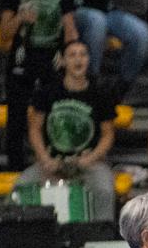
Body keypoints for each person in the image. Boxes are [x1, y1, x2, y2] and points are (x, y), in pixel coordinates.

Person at [0, 0, 78, 170]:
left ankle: (54, 166)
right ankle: (15, 168)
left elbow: (70, 30)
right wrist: (20, 18)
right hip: (22, 58)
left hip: (52, 59)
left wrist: (70, 56)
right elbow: (4, 33)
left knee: (54, 115)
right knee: (16, 117)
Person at [16, 38, 118, 221]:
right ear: (63, 61)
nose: (78, 59)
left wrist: (91, 158)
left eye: (83, 55)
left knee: (104, 189)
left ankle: (102, 233)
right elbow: (35, 129)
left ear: (88, 59)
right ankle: (28, 232)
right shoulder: (47, 92)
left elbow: (108, 135)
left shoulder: (101, 93)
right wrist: (44, 158)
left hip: (89, 162)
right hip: (52, 161)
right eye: (72, 55)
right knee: (22, 185)